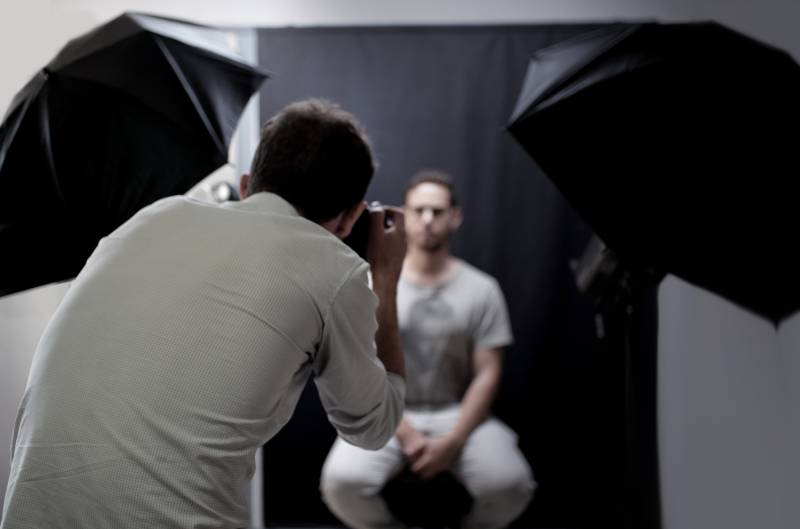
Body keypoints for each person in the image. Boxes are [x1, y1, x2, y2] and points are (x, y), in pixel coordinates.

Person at [1, 99, 407, 529]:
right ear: (351, 218)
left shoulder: (152, 216)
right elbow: (373, 426)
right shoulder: (335, 268)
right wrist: (386, 276)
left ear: (247, 186)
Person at [320, 170, 536, 529]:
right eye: (418, 210)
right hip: (387, 413)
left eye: (437, 211)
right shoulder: (376, 284)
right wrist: (405, 433)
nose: (427, 220)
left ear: (455, 217)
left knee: (510, 486)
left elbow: (488, 373)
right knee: (342, 483)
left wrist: (453, 441)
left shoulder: (482, 289)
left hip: (458, 414)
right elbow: (361, 366)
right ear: (405, 215)